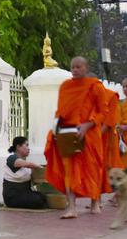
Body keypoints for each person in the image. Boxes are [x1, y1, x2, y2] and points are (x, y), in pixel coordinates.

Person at [44, 57, 109, 219]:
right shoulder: (65, 86)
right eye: (73, 67)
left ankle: (95, 202)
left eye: (79, 67)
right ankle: (71, 207)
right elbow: (61, 111)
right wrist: (56, 129)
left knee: (92, 168)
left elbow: (103, 112)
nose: (75, 70)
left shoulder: (95, 86)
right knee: (69, 171)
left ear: (86, 68)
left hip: (90, 134)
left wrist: (88, 125)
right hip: (68, 133)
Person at [2, 137, 48, 209]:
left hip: (25, 194)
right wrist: (35, 166)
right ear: (18, 147)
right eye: (26, 145)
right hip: (12, 197)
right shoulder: (11, 158)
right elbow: (23, 163)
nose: (28, 148)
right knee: (38, 200)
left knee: (42, 197)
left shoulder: (26, 163)